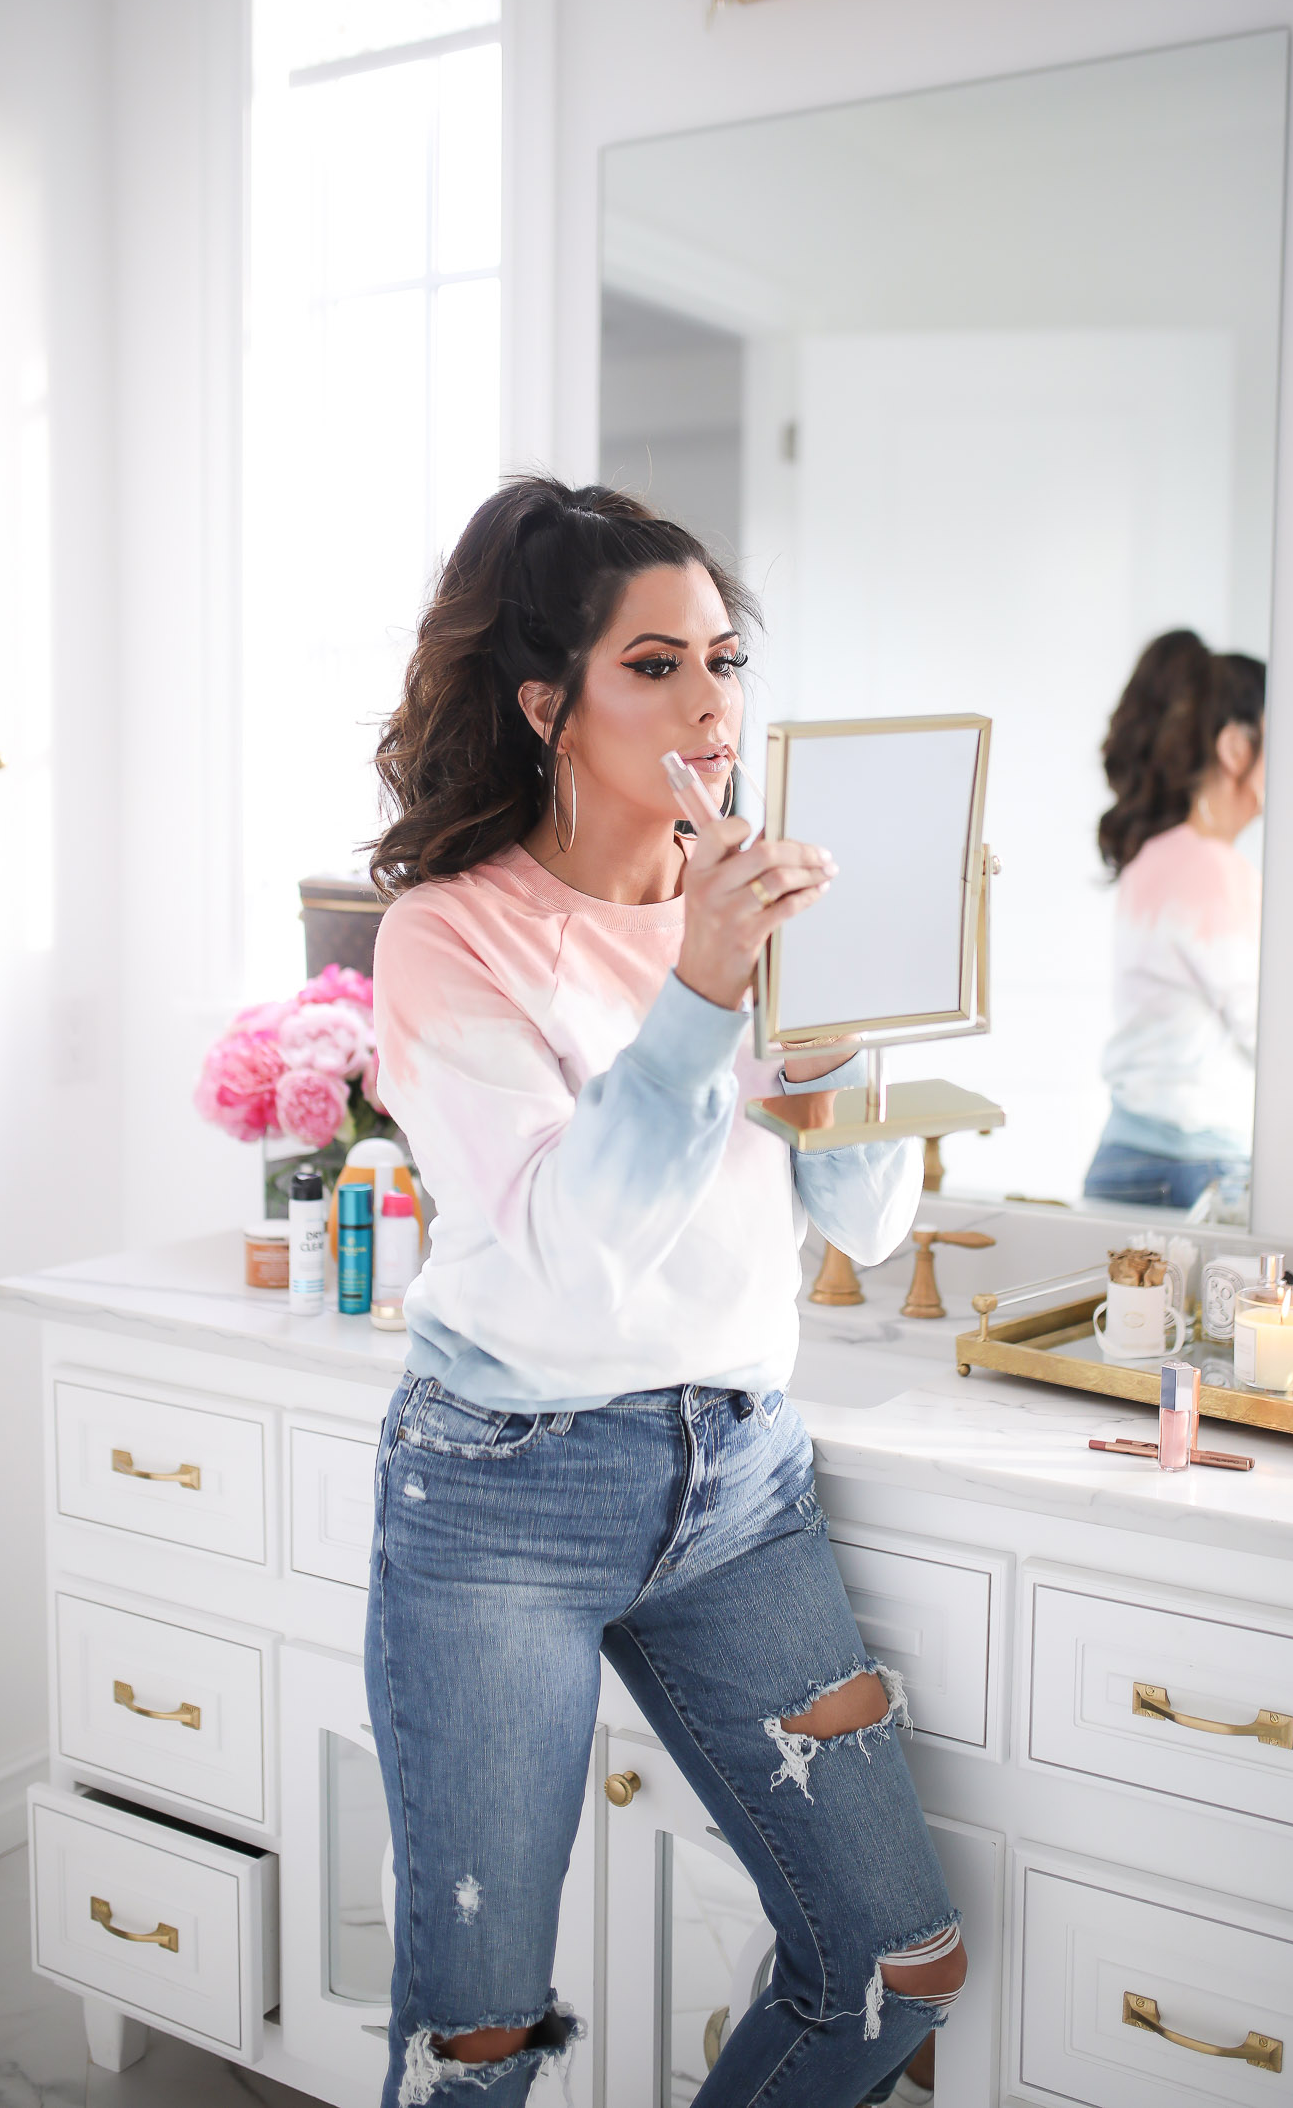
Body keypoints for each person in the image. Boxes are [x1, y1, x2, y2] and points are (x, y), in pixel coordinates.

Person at [364, 478, 963, 2106]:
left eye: (725, 658)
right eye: (654, 665)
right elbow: (574, 1243)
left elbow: (875, 1221)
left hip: (743, 1480)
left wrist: (849, 1010)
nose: (712, 704)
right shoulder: (450, 938)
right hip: (505, 1493)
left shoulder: (743, 920)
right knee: (479, 2045)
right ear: (544, 700)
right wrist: (703, 985)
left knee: (897, 1965)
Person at [1084, 630, 1266, 1210]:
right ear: (1236, 748)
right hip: (1198, 1168)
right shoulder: (1218, 869)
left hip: (1119, 1156)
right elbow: (1271, 1033)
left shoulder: (1149, 857)